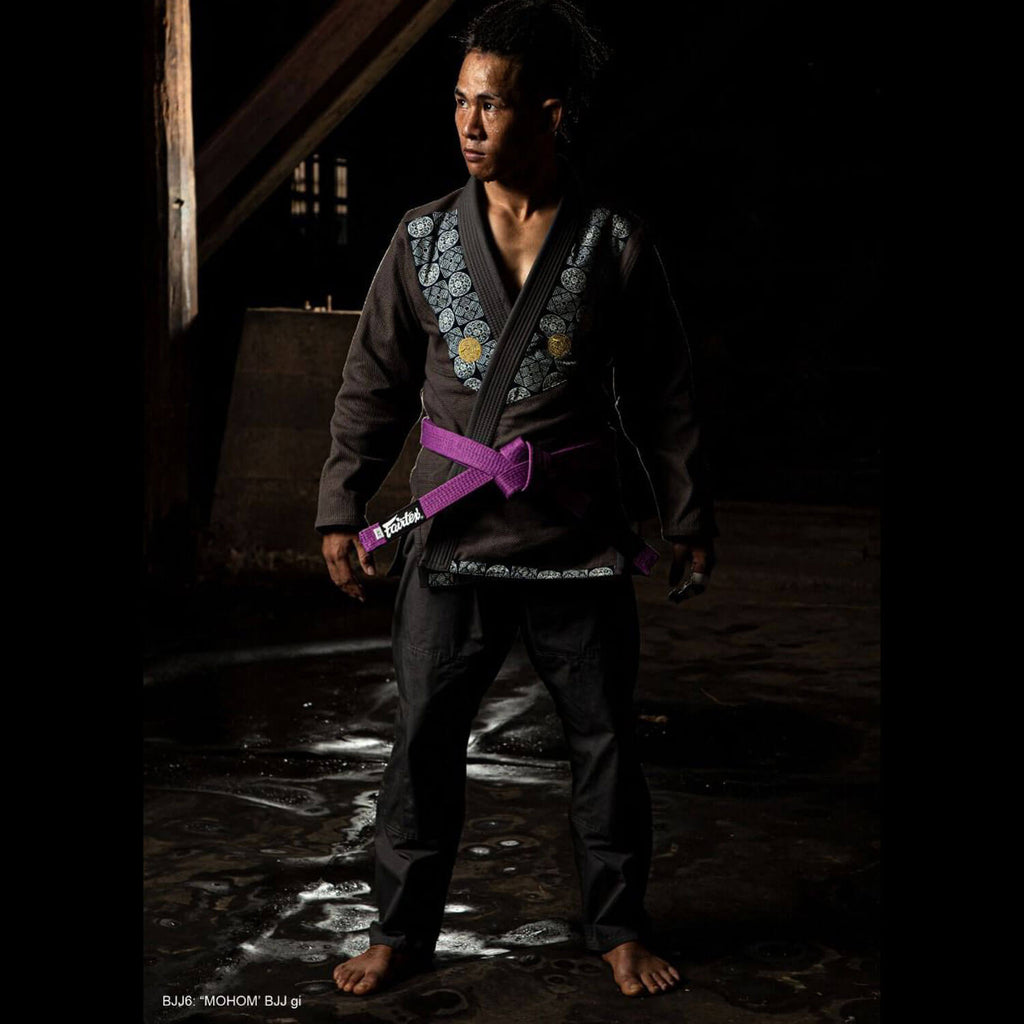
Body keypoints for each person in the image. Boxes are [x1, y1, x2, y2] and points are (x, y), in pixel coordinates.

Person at [315, 0, 716, 999]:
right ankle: (400, 931)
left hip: (576, 536)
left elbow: (664, 391)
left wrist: (685, 513)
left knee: (604, 741)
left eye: (490, 105)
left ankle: (618, 927)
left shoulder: (612, 240)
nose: (468, 124)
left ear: (549, 112)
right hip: (453, 535)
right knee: (423, 741)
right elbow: (373, 382)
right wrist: (340, 505)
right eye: (460, 102)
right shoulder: (422, 239)